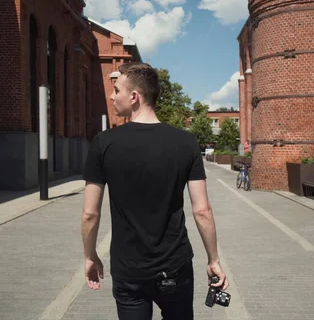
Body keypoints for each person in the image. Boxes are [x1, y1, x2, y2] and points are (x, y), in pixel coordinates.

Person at [81, 62, 228, 320]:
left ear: (134, 96)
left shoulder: (103, 143)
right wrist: (213, 259)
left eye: (116, 90)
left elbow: (90, 214)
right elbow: (202, 210)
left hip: (129, 270)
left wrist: (90, 255)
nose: (112, 96)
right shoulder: (186, 142)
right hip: (175, 265)